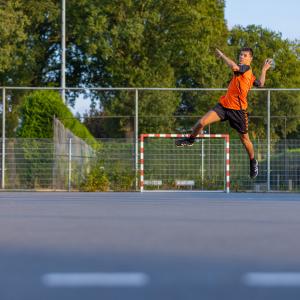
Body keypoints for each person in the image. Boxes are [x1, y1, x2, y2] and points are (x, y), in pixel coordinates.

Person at [175, 47, 273, 179]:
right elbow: (260, 83)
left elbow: (234, 66)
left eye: (245, 55)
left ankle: (253, 161)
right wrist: (263, 70)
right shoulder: (248, 74)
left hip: (238, 111)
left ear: (250, 58)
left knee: (245, 139)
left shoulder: (246, 69)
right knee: (201, 122)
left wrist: (221, 55)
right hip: (224, 106)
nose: (241, 57)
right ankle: (190, 139)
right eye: (240, 55)